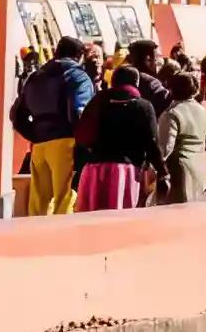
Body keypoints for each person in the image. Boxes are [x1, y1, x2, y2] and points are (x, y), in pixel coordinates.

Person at [10, 37, 95, 215]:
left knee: (39, 199)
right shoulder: (78, 76)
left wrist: (34, 134)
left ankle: (34, 236)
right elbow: (79, 112)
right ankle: (60, 239)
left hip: (39, 145)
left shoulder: (36, 77)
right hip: (66, 142)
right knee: (65, 197)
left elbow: (16, 114)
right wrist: (83, 142)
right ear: (79, 56)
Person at [75, 67, 160, 211]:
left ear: (113, 82)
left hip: (93, 169)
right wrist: (162, 171)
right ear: (136, 83)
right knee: (120, 221)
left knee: (91, 220)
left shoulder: (97, 102)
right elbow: (151, 142)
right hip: (125, 172)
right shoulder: (143, 106)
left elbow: (82, 133)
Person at [156, 73, 206, 204]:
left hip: (179, 173)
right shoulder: (203, 111)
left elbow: (165, 148)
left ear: (171, 89)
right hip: (200, 169)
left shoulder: (171, 114)